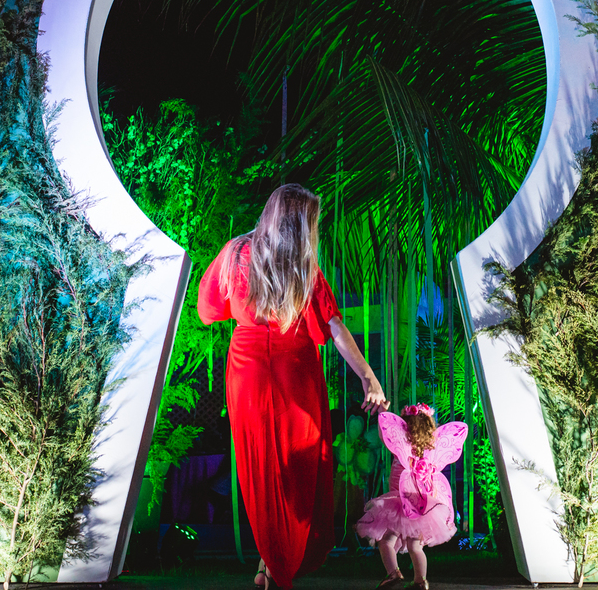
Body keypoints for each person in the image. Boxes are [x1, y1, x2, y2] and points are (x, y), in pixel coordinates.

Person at [198, 183, 389, 589]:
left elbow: (207, 310)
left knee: (260, 469)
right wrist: (367, 376)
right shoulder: (304, 269)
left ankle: (270, 562)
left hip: (246, 375)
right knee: (297, 470)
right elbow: (335, 328)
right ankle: (278, 561)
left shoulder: (235, 254)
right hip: (296, 375)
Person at [355, 404, 469, 590]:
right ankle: (421, 581)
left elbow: (386, 434)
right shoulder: (429, 450)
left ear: (404, 427)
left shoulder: (401, 446)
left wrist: (383, 413)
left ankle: (394, 574)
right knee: (415, 546)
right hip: (420, 505)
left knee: (386, 541)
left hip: (399, 505)